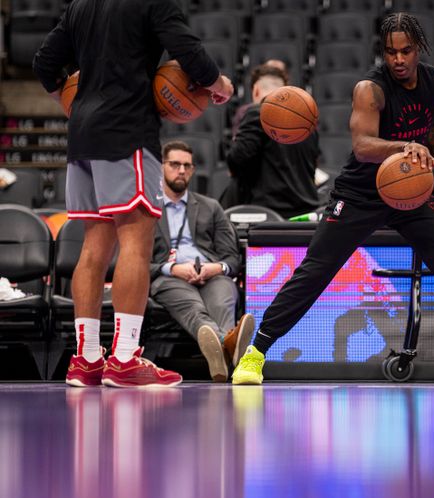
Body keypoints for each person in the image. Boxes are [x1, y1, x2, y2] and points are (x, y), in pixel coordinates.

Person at [231, 12, 434, 386]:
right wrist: (404, 145)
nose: (398, 60)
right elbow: (363, 147)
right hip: (362, 192)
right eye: (390, 52)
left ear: (420, 49)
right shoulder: (371, 89)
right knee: (316, 270)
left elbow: (433, 129)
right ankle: (254, 355)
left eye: (406, 51)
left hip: (412, 190)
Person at [32, 0, 234, 387]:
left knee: (94, 246)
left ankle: (87, 358)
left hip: (82, 135)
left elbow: (44, 62)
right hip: (127, 129)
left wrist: (67, 100)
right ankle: (125, 357)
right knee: (136, 244)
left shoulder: (79, 5)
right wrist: (218, 83)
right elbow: (188, 52)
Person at [150, 141, 255, 382]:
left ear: (193, 170)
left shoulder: (211, 207)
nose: (181, 170)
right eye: (174, 164)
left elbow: (232, 258)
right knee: (193, 307)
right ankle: (229, 346)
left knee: (223, 299)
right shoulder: (149, 209)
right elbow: (136, 262)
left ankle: (220, 359)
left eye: (187, 166)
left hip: (211, 274)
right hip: (169, 277)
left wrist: (216, 268)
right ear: (161, 167)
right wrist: (172, 268)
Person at [225, 63, 321, 218]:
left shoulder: (257, 112)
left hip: (269, 214)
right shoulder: (307, 120)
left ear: (255, 90)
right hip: (306, 211)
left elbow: (237, 161)